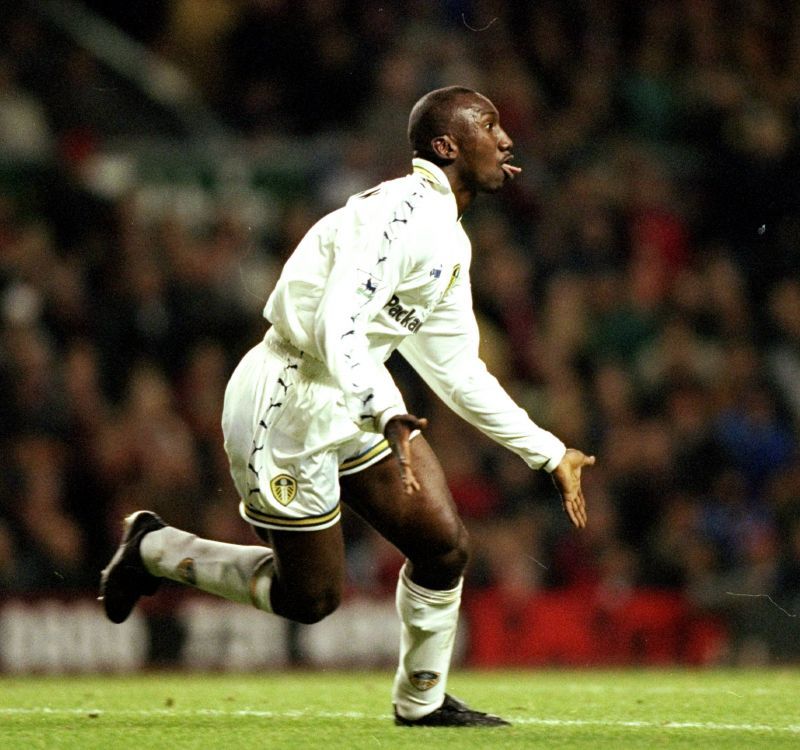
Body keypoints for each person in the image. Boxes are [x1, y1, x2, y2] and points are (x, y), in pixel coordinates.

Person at [100, 86, 595, 727]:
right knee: (309, 599)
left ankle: (422, 701)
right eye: (490, 126)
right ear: (446, 146)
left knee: (444, 547)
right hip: (287, 402)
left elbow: (457, 372)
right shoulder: (398, 216)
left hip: (352, 397)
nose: (506, 139)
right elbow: (338, 324)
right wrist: (386, 408)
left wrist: (548, 452)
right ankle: (157, 550)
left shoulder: (448, 239)